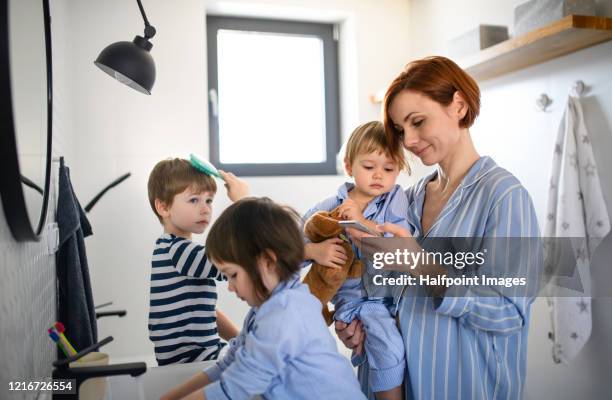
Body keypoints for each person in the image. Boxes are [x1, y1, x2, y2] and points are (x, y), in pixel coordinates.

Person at [335, 56, 541, 399]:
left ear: (458, 106)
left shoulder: (504, 196)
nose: (410, 140)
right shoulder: (406, 199)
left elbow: (509, 314)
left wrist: (422, 265)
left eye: (418, 122)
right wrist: (358, 323)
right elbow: (387, 293)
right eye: (401, 131)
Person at [160, 197, 365, 400]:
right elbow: (229, 364)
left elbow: (233, 389)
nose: (230, 287)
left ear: (268, 261)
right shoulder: (263, 310)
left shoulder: (285, 313)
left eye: (233, 275)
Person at [302, 121, 411, 400]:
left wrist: (361, 222)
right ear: (350, 167)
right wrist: (315, 252)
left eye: (388, 169)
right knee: (381, 346)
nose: (379, 175)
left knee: (386, 345)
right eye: (369, 166)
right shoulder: (329, 206)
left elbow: (399, 245)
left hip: (386, 299)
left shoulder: (394, 199)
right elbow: (292, 245)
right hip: (350, 302)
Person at [147, 158, 249, 365]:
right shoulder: (179, 251)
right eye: (194, 200)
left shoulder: (170, 249)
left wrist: (240, 339)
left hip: (200, 355)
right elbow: (240, 261)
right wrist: (243, 203)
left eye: (209, 200)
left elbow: (206, 311)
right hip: (193, 360)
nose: (205, 209)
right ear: (163, 207)